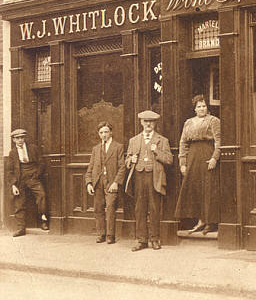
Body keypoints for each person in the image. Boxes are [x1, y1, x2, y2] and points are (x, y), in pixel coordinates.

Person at [125, 110, 173, 251]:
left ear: (155, 123)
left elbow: (169, 160)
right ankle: (141, 240)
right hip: (139, 178)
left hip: (154, 178)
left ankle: (155, 239)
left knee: (154, 208)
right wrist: (130, 160)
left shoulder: (162, 140)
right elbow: (127, 160)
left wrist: (157, 151)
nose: (148, 124)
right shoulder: (133, 141)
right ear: (141, 123)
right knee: (140, 209)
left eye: (151, 122)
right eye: (145, 121)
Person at [175, 95, 221, 235]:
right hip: (193, 158)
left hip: (207, 154)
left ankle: (210, 222)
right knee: (195, 188)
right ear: (194, 109)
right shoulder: (188, 123)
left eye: (204, 106)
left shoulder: (214, 121)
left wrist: (214, 158)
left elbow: (219, 141)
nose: (202, 109)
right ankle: (200, 220)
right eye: (199, 106)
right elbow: (183, 143)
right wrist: (183, 163)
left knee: (208, 188)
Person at [84, 122, 126, 244]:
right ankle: (101, 233)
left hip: (111, 183)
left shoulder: (118, 147)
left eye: (106, 132)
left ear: (111, 132)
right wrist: (89, 183)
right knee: (98, 209)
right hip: (98, 183)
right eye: (101, 132)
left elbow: (122, 167)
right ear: (99, 134)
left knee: (111, 208)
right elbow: (90, 168)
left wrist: (116, 182)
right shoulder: (96, 149)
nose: (104, 135)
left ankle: (110, 235)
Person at [7, 129, 48, 237]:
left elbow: (41, 163)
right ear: (13, 140)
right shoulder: (12, 153)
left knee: (42, 196)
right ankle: (20, 228)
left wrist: (37, 174)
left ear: (24, 138)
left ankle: (43, 220)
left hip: (33, 177)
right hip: (20, 179)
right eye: (17, 138)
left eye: (22, 137)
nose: (20, 140)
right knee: (19, 203)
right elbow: (10, 171)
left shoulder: (33, 148)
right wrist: (13, 185)